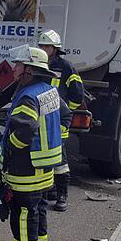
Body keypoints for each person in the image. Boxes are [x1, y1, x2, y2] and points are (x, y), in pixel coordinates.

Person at [0, 45, 62, 241]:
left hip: (26, 167)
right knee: (38, 211)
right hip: (45, 165)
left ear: (29, 70)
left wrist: (9, 151)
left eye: (18, 65)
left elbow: (24, 132)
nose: (13, 68)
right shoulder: (48, 91)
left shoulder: (27, 97)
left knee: (22, 214)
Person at [37, 30, 84, 212]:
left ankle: (62, 195)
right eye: (41, 46)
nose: (43, 49)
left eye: (46, 46)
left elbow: (77, 94)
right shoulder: (37, 65)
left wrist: (65, 112)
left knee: (60, 161)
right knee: (42, 157)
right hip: (40, 119)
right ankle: (50, 190)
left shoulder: (65, 67)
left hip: (57, 121)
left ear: (55, 49)